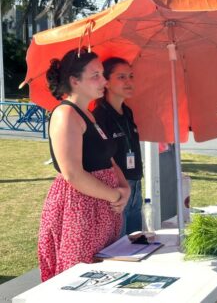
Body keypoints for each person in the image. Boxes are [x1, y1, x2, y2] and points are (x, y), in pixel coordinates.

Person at [38, 48, 130, 281]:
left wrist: (124, 189)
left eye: (102, 74)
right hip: (78, 210)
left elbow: (108, 159)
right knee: (79, 278)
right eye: (96, 75)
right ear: (74, 81)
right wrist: (114, 196)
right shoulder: (66, 115)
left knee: (103, 276)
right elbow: (73, 174)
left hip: (102, 208)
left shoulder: (89, 115)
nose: (104, 80)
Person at [93, 57, 144, 235]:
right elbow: (104, 157)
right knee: (119, 246)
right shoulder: (99, 116)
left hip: (136, 184)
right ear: (105, 82)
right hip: (118, 190)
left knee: (137, 242)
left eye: (131, 76)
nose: (129, 82)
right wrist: (122, 188)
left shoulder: (128, 111)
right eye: (121, 77)